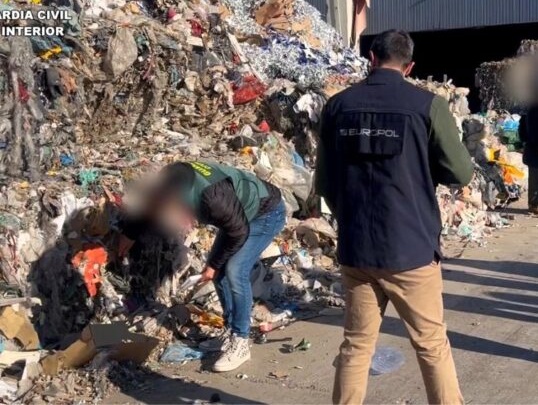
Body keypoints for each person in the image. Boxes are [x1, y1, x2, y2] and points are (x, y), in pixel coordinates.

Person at [316, 29, 472, 405]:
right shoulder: (427, 105)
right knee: (432, 345)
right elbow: (461, 172)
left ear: (371, 58)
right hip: (411, 250)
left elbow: (324, 182)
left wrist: (349, 219)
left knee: (355, 346)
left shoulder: (337, 107)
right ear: (410, 65)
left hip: (357, 250)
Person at [118, 161, 285, 373]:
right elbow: (153, 205)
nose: (170, 210)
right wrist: (129, 234)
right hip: (238, 215)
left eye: (174, 206)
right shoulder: (171, 178)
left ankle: (241, 341)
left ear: (185, 197)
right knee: (217, 273)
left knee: (234, 271)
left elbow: (238, 232)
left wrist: (214, 265)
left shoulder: (213, 200)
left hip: (266, 214)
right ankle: (230, 329)